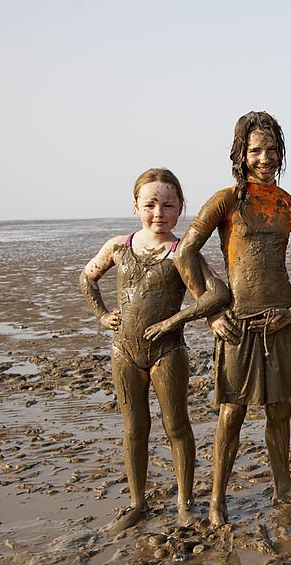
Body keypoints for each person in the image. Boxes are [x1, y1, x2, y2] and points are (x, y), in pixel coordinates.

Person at [175, 112, 291, 527]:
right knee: (232, 411)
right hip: (236, 322)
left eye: (272, 150)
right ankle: (217, 499)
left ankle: (283, 487)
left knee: (280, 410)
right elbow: (185, 253)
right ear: (240, 154)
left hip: (281, 322)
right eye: (256, 150)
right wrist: (211, 311)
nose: (265, 158)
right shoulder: (225, 201)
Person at [80, 168, 229, 532]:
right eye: (150, 205)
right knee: (134, 427)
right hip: (124, 351)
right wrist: (101, 315)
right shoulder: (118, 246)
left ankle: (184, 503)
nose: (158, 213)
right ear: (136, 206)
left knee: (177, 425)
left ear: (180, 209)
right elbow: (87, 277)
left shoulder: (183, 253)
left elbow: (219, 293)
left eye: (167, 205)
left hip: (168, 352)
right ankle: (136, 502)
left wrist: (175, 320)